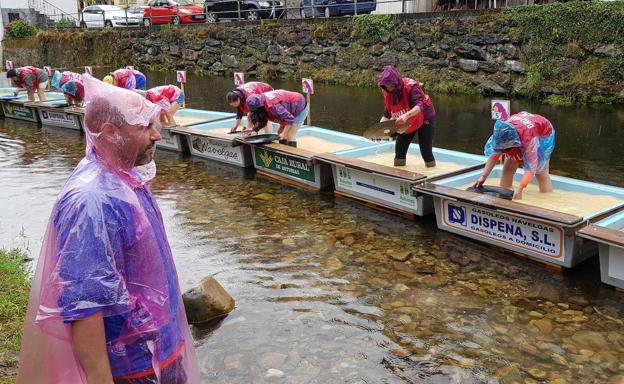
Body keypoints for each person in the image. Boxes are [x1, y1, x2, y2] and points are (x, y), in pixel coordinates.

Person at [16, 75, 200, 384]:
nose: (157, 135)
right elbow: (86, 303)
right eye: (144, 127)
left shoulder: (125, 178)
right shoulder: (93, 201)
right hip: (134, 366)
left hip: (160, 349)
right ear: (111, 133)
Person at [473, 111, 555, 200]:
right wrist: (483, 176)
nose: (504, 151)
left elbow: (531, 168)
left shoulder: (529, 140)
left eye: (507, 149)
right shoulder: (501, 132)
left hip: (543, 133)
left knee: (541, 173)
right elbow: (494, 154)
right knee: (508, 168)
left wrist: (520, 188)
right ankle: (505, 192)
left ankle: (546, 198)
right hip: (519, 129)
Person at [377, 65, 436, 167]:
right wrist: (378, 131)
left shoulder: (411, 87)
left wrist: (406, 116)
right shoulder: (387, 92)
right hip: (406, 121)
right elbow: (387, 113)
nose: (389, 88)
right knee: (399, 149)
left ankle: (432, 174)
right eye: (386, 86)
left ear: (396, 81)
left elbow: (420, 105)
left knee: (426, 151)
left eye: (391, 85)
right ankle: (399, 174)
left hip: (424, 118)